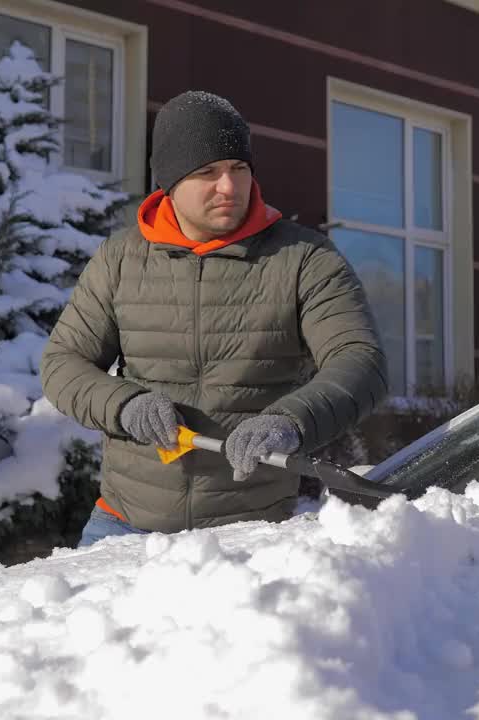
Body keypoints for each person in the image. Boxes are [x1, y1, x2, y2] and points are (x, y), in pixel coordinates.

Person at [41, 90, 387, 547]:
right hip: (123, 526)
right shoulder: (120, 259)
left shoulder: (304, 259)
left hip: (250, 532)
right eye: (207, 172)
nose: (229, 186)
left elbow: (360, 360)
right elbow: (63, 363)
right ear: (169, 181)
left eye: (238, 169)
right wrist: (125, 405)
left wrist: (290, 421)